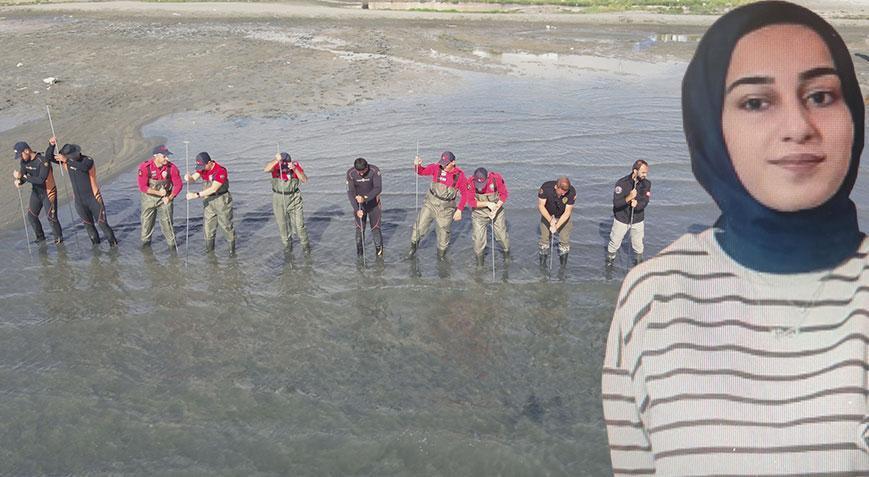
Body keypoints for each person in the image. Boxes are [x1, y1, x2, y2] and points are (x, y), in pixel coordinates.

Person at [602, 2, 868, 475]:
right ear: (711, 130)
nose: (798, 127)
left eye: (821, 95)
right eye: (756, 103)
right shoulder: (651, 297)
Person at [55, 143, 118, 246]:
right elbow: (50, 157)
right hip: (79, 202)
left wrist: (67, 160)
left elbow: (83, 168)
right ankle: (96, 251)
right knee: (89, 226)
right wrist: (51, 145)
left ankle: (114, 248)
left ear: (77, 152)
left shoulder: (87, 160)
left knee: (103, 224)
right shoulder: (68, 162)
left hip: (94, 199)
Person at [408, 151, 466, 260]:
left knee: (443, 235)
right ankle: (412, 250)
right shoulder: (436, 168)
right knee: (418, 227)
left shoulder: (460, 175)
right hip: (430, 204)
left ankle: (441, 256)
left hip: (446, 209)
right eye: (442, 163)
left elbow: (465, 194)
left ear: (453, 162)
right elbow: (421, 171)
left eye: (446, 164)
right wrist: (417, 165)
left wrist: (459, 210)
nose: (443, 166)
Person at [12, 137, 63, 244]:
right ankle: (40, 238)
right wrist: (19, 182)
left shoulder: (43, 161)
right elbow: (24, 176)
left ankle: (59, 240)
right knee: (31, 216)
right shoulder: (23, 162)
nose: (20, 157)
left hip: (49, 191)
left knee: (51, 218)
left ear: (27, 150)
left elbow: (40, 180)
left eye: (21, 155)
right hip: (36, 192)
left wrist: (23, 177)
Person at [185, 152, 236, 254]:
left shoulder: (220, 170)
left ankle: (232, 252)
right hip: (208, 201)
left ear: (209, 163)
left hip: (221, 200)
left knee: (226, 226)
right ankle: (210, 252)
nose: (201, 169)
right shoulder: (202, 169)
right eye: (199, 167)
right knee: (208, 228)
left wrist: (196, 195)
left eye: (203, 166)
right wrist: (189, 178)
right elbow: (193, 179)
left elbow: (214, 188)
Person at [458, 167, 509, 266]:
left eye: (482, 184)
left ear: (487, 177)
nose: (480, 188)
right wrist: (487, 204)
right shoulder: (470, 183)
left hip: (497, 212)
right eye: (478, 184)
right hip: (479, 214)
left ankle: (507, 255)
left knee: (501, 237)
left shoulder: (496, 179)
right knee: (478, 241)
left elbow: (504, 194)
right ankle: (480, 265)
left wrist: (496, 208)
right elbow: (471, 202)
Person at [606, 160, 651, 266]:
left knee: (638, 245)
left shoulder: (647, 184)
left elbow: (645, 201)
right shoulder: (621, 183)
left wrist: (637, 205)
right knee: (614, 243)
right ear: (635, 171)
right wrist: (629, 198)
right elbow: (617, 203)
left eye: (646, 173)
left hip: (638, 219)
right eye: (643, 172)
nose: (645, 175)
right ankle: (609, 263)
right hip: (621, 219)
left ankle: (638, 264)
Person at [137, 144, 183, 249]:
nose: (167, 158)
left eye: (167, 156)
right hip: (148, 199)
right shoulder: (145, 167)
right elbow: (143, 187)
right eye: (164, 156)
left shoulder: (172, 168)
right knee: (146, 226)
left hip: (166, 199)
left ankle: (172, 249)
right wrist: (158, 193)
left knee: (168, 225)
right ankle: (146, 248)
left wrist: (170, 197)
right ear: (156, 156)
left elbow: (178, 185)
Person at [264, 151, 310, 253]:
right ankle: (288, 249)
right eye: (283, 163)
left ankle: (306, 248)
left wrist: (294, 169)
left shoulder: (295, 166)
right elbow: (266, 169)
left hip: (294, 198)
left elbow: (304, 179)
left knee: (299, 226)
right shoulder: (276, 166)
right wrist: (276, 160)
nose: (285, 166)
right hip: (278, 198)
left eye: (287, 163)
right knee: (283, 226)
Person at [346, 157, 383, 258]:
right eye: (359, 172)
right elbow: (351, 193)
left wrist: (365, 198)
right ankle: (360, 257)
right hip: (359, 205)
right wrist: (357, 209)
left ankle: (380, 259)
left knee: (375, 229)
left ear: (367, 167)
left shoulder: (374, 170)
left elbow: (378, 188)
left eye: (363, 171)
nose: (361, 174)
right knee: (359, 231)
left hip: (373, 204)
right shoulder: (351, 173)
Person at [537, 177, 575, 267]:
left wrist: (556, 226)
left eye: (565, 192)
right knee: (544, 241)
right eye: (562, 191)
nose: (564, 194)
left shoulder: (571, 192)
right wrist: (550, 220)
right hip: (547, 214)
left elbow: (567, 212)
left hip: (563, 216)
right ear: (556, 187)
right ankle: (542, 266)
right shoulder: (545, 188)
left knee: (564, 242)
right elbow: (541, 206)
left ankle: (563, 267)